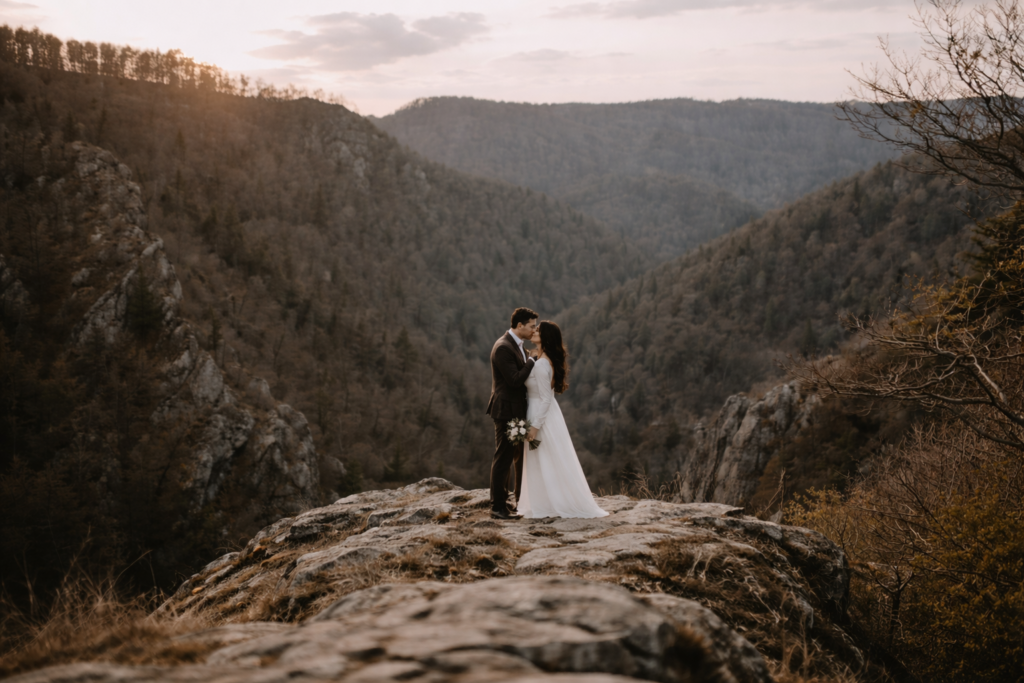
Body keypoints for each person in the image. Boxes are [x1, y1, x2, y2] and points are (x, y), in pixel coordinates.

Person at [518, 321, 608, 519]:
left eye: (538, 330)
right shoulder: (540, 358)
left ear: (546, 337)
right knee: (543, 460)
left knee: (546, 460)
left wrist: (534, 427)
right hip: (544, 413)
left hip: (541, 415)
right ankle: (545, 502)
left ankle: (550, 504)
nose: (534, 331)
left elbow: (545, 398)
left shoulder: (542, 364)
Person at [485, 307, 537, 520]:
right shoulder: (503, 348)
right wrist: (532, 361)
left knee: (516, 457)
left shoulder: (518, 345)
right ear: (519, 326)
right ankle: (498, 507)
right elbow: (515, 379)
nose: (534, 330)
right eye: (532, 326)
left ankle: (516, 502)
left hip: (516, 410)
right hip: (506, 410)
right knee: (503, 457)